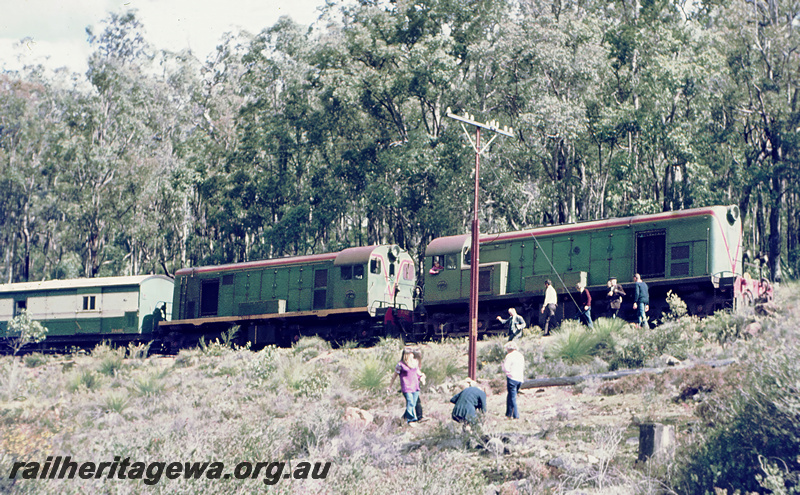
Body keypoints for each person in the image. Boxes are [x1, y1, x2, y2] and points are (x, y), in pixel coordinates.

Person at [387, 347, 426, 426]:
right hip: (407, 387)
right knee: (410, 402)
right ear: (406, 355)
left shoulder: (414, 363)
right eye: (411, 353)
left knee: (413, 404)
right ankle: (411, 420)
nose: (412, 355)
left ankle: (403, 419)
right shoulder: (400, 365)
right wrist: (389, 387)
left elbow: (418, 372)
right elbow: (394, 376)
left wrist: (422, 377)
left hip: (415, 387)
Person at [502, 341, 525, 419]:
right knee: (510, 396)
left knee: (512, 397)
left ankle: (515, 415)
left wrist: (507, 372)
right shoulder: (520, 355)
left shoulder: (509, 356)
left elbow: (505, 367)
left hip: (512, 378)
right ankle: (508, 413)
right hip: (520, 378)